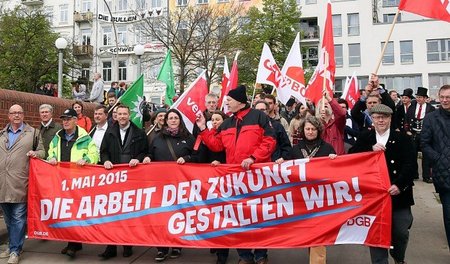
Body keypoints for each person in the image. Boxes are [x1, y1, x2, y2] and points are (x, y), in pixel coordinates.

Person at [196, 85, 276, 264]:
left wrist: (254, 158)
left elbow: (270, 140)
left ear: (239, 102)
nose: (226, 103)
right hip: (235, 180)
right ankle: (245, 256)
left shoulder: (259, 117)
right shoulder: (227, 122)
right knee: (238, 218)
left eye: (229, 101)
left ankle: (261, 254)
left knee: (259, 217)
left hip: (257, 177)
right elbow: (216, 145)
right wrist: (203, 128)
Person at [349, 104, 415, 264]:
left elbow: (410, 164)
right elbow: (351, 157)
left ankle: (399, 258)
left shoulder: (403, 139)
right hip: (374, 197)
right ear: (372, 119)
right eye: (377, 117)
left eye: (384, 117)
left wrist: (399, 185)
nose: (381, 120)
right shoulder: (366, 137)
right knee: (376, 233)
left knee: (400, 232)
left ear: (390, 119)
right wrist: (369, 150)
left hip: (398, 194)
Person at [143, 109, 197, 262]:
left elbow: (198, 156)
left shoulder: (189, 137)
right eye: (170, 118)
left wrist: (186, 158)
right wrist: (147, 157)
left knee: (178, 214)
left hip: (180, 184)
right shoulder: (157, 138)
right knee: (161, 216)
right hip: (161, 184)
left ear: (180, 120)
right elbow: (150, 154)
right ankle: (161, 248)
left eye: (176, 118)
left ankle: (176, 245)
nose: (173, 120)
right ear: (165, 121)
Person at [47, 108, 99, 258]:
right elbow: (51, 151)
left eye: (69, 119)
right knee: (66, 213)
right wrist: (51, 157)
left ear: (76, 120)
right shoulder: (57, 137)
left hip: (78, 182)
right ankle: (73, 242)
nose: (65, 121)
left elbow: (94, 154)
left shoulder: (85, 137)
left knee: (75, 213)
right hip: (61, 181)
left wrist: (87, 160)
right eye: (64, 119)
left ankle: (73, 245)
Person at [98, 105, 148, 260]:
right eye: (119, 114)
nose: (122, 117)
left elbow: (145, 151)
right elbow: (103, 151)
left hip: (131, 179)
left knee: (127, 214)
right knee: (111, 214)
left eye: (125, 114)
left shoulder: (139, 133)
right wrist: (105, 161)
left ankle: (127, 245)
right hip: (114, 179)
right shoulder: (110, 132)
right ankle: (110, 247)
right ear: (115, 116)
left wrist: (138, 159)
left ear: (129, 115)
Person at [288, 115, 337, 264]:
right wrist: (280, 163)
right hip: (301, 198)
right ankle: (314, 255)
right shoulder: (295, 149)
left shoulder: (327, 148)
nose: (310, 132)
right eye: (307, 129)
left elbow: (335, 172)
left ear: (318, 130)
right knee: (308, 231)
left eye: (313, 129)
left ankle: (317, 261)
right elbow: (287, 171)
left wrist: (335, 160)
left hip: (321, 197)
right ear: (303, 130)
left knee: (318, 231)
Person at [0, 105, 45, 264]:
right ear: (9, 116)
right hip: (3, 184)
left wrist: (35, 153)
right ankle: (13, 244)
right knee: (8, 218)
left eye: (19, 112)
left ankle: (14, 251)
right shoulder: (1, 134)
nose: (17, 115)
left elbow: (42, 152)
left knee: (18, 218)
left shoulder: (33, 133)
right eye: (13, 113)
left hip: (21, 182)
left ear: (23, 115)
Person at [421, 84, 450, 250]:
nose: (445, 100)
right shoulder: (431, 118)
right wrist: (439, 159)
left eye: (448, 97)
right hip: (444, 174)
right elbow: (424, 144)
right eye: (443, 97)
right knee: (449, 217)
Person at [405, 87, 435, 183]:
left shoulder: (431, 108)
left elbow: (434, 122)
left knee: (426, 156)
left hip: (425, 135)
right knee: (412, 155)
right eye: (417, 97)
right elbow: (407, 119)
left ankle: (426, 176)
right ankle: (414, 175)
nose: (418, 99)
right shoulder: (412, 107)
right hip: (413, 134)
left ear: (425, 98)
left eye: (420, 97)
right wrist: (407, 130)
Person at [315, 91, 347, 155]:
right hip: (323, 160)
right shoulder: (315, 124)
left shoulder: (337, 124)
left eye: (327, 103)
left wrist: (330, 99)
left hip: (338, 159)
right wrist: (321, 121)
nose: (325, 104)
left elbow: (342, 114)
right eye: (322, 103)